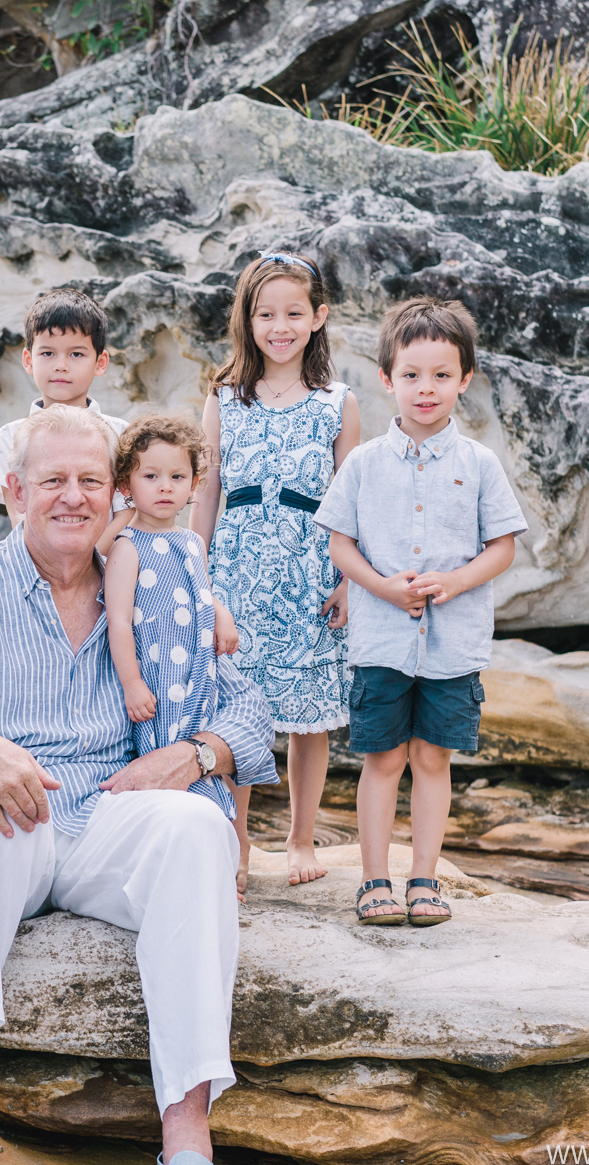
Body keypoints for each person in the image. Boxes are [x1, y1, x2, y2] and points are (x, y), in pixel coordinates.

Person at [0, 403, 278, 1165]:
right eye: (52, 480)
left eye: (91, 481)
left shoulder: (160, 582)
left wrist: (195, 755)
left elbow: (245, 708)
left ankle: (186, 1136)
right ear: (13, 491)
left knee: (200, 827)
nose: (72, 497)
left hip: (110, 814)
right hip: (9, 823)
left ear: (118, 493)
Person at [315, 296, 526, 926]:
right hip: (380, 639)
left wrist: (458, 581)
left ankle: (426, 879)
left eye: (441, 376)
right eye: (410, 375)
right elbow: (339, 543)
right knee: (382, 758)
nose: (425, 389)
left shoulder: (479, 464)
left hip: (452, 641)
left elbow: (503, 547)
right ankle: (374, 878)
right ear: (386, 379)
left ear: (465, 379)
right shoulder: (363, 463)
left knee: (432, 757)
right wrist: (380, 588)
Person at [191, 250, 359, 894]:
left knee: (306, 716)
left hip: (310, 566)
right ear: (248, 319)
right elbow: (205, 493)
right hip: (236, 565)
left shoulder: (335, 403)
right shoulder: (226, 396)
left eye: (293, 313)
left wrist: (348, 577)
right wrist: (196, 575)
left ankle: (300, 836)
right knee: (234, 705)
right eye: (266, 314)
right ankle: (235, 841)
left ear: (318, 317)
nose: (279, 326)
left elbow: (350, 498)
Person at [103, 415, 242, 820]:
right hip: (155, 677)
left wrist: (223, 615)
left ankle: (212, 844)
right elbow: (118, 621)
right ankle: (161, 832)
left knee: (200, 749)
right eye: (151, 476)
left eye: (178, 476)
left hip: (196, 673)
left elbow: (202, 591)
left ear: (194, 484)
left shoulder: (192, 541)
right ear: (126, 486)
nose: (165, 486)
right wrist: (131, 683)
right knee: (160, 750)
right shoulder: (128, 548)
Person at [0, 288, 129, 539]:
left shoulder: (121, 434)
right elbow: (19, 517)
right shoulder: (10, 437)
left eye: (76, 354)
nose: (61, 365)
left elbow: (126, 514)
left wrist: (88, 562)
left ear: (100, 362)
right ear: (29, 360)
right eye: (48, 353)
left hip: (109, 566)